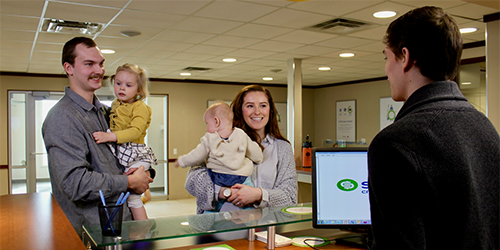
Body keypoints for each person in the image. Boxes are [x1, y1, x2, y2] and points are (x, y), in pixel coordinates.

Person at [368, 6, 500, 249]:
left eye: (387, 57)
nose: (386, 69)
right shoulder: (486, 129)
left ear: (405, 57)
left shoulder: (394, 144)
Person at [42, 37, 153, 235]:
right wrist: (128, 182)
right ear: (69, 68)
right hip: (91, 234)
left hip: (122, 226)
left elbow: (123, 158)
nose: (99, 70)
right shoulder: (62, 118)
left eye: (101, 63)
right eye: (89, 64)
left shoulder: (106, 112)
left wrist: (144, 174)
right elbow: (75, 184)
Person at [185, 85, 298, 214]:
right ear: (239, 110)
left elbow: (290, 196)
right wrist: (224, 193)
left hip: (264, 227)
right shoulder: (218, 139)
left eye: (263, 105)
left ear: (271, 110)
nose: (257, 112)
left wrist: (258, 194)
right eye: (250, 106)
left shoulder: (283, 148)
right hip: (217, 225)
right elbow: (191, 182)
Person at [92, 63, 157, 220]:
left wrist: (110, 136)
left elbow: (135, 131)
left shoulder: (139, 107)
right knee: (125, 192)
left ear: (138, 90)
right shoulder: (115, 104)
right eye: (118, 83)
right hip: (122, 151)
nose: (122, 88)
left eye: (128, 85)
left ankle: (144, 231)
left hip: (135, 152)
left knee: (134, 198)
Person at [175, 101, 263, 211]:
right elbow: (256, 154)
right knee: (248, 200)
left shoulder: (209, 139)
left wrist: (182, 161)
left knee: (212, 208)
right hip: (242, 178)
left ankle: (208, 218)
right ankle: (250, 214)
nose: (207, 128)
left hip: (218, 178)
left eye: (207, 123)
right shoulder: (241, 135)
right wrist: (259, 158)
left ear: (216, 121)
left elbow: (196, 156)